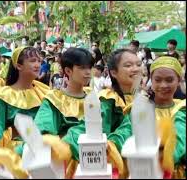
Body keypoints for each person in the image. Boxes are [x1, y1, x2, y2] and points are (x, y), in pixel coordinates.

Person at [0, 46, 50, 178]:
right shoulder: (6, 94)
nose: (38, 65)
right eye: (33, 61)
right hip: (17, 151)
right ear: (19, 66)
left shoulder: (45, 92)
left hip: (43, 150)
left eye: (40, 61)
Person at [61, 49, 143, 178]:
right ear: (114, 73)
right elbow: (88, 128)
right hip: (114, 167)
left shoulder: (145, 99)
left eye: (138, 64)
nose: (136, 69)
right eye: (128, 65)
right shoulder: (108, 99)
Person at [35, 48, 93, 137]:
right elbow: (42, 132)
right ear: (68, 71)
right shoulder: (54, 99)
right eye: (82, 68)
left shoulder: (93, 96)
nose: (88, 72)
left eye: (90, 67)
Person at [147, 56, 185, 178]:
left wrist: (167, 156)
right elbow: (125, 131)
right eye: (157, 80)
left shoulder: (183, 108)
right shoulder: (141, 110)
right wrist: (112, 144)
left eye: (169, 80)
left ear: (178, 81)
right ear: (151, 81)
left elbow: (181, 134)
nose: (163, 85)